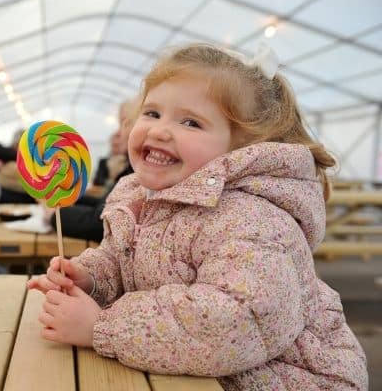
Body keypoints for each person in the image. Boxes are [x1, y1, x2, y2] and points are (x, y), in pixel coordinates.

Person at [28, 43, 368, 390]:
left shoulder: (251, 218)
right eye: (152, 113)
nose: (160, 130)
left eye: (191, 122)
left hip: (284, 378)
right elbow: (124, 259)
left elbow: (234, 322)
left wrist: (102, 327)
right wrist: (91, 278)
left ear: (242, 147)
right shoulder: (141, 195)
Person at [41, 98, 137, 242]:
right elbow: (102, 205)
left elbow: (102, 222)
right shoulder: (130, 169)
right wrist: (67, 199)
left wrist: (57, 216)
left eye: (124, 122)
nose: (118, 133)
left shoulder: (138, 173)